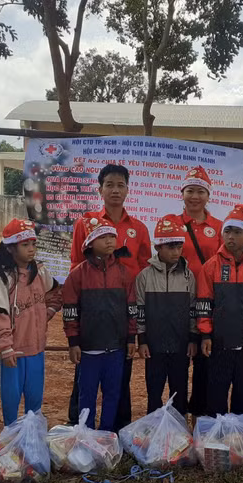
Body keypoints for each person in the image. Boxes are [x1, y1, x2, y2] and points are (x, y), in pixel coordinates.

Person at [68, 164, 151, 429]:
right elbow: (76, 265)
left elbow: (144, 266)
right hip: (92, 309)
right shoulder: (85, 222)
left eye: (120, 185)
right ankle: (79, 424)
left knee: (121, 369)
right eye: (109, 185)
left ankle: (118, 425)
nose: (115, 190)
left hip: (123, 309)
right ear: (100, 189)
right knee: (85, 369)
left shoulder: (138, 228)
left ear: (128, 189)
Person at [63, 216, 138, 431]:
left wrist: (131, 338)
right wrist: (73, 342)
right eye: (103, 237)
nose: (109, 241)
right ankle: (86, 437)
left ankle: (107, 436)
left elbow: (131, 309)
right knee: (86, 394)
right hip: (88, 349)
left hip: (116, 347)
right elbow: (70, 312)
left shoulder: (125, 273)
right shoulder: (77, 275)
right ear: (90, 243)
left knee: (113, 392)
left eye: (112, 236)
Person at [0, 219, 63, 426]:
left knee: (34, 399)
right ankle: (11, 440)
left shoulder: (39, 272)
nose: (31, 249)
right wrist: (5, 347)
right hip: (15, 351)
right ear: (11, 248)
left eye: (33, 244)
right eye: (25, 245)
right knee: (11, 401)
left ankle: (32, 442)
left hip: (37, 349)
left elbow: (56, 293)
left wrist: (48, 312)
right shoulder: (5, 278)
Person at [197, 202, 243, 416]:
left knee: (242, 394)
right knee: (216, 393)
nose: (231, 237)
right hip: (219, 344)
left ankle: (241, 440)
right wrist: (206, 335)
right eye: (227, 231)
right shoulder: (211, 266)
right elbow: (203, 304)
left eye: (237, 232)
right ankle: (216, 439)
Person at [136, 215, 198, 415]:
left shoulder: (189, 276)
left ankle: (179, 430)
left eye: (179, 247)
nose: (176, 252)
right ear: (158, 248)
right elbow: (140, 310)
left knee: (179, 390)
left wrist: (192, 339)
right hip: (154, 346)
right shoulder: (144, 276)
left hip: (180, 345)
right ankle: (152, 430)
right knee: (154, 391)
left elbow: (193, 309)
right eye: (170, 247)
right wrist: (142, 340)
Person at [179, 166, 223, 421]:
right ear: (182, 193)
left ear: (208, 196)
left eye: (200, 192)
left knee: (205, 362)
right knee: (180, 359)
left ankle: (200, 415)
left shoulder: (218, 227)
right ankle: (177, 415)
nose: (195, 197)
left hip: (209, 302)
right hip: (178, 302)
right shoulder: (172, 223)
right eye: (190, 191)